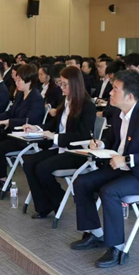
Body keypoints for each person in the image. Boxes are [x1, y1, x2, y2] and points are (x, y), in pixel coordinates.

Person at [70, 70, 139, 268]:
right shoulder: (117, 112)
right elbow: (114, 139)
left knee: (110, 192)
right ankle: (95, 233)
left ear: (130, 97)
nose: (110, 93)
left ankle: (117, 248)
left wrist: (128, 159)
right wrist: (101, 144)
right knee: (81, 182)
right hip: (121, 168)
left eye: (115, 89)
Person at [20, 66, 97, 217]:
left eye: (65, 84)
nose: (62, 87)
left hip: (76, 152)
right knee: (28, 162)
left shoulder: (87, 105)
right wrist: (37, 128)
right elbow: (54, 125)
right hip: (61, 148)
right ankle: (43, 206)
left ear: (75, 84)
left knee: (42, 168)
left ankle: (57, 198)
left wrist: (55, 137)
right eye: (60, 83)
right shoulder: (66, 100)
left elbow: (82, 135)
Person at [0, 64, 46, 197]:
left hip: (25, 137)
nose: (16, 82)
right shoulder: (20, 95)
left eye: (19, 80)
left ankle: (2, 181)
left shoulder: (36, 98)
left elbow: (31, 121)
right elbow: (10, 113)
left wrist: (9, 122)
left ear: (29, 81)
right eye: (16, 80)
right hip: (12, 132)